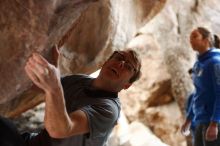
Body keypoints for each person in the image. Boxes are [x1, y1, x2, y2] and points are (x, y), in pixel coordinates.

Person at [0, 48, 141, 146]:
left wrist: (53, 87)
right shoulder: (80, 81)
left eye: (129, 67)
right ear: (105, 62)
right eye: (119, 57)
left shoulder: (109, 110)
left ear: (127, 85)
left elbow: (60, 129)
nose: (121, 63)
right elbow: (40, 84)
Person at [185, 27, 220, 146]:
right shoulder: (198, 64)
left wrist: (215, 123)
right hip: (200, 120)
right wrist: (189, 119)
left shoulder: (215, 62)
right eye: (190, 38)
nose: (191, 40)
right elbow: (197, 93)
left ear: (207, 40)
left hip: (213, 122)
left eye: (195, 36)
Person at [181, 68, 196, 143]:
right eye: (191, 78)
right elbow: (189, 113)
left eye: (194, 77)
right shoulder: (191, 96)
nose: (193, 80)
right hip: (196, 132)